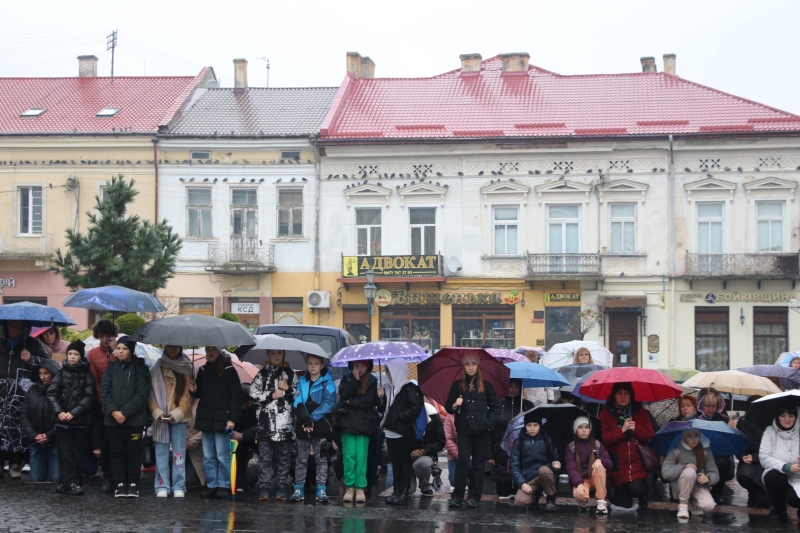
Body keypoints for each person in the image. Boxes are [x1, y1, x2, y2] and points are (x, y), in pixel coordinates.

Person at [446, 350, 500, 509]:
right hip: (463, 430)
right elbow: (449, 407)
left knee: (478, 464)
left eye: (473, 364)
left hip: (481, 431)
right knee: (462, 462)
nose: (470, 367)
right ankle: (457, 496)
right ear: (463, 366)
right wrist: (455, 405)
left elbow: (495, 408)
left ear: (478, 366)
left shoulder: (487, 386)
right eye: (467, 364)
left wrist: (487, 423)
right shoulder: (457, 386)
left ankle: (474, 497)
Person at [101, 336, 150, 498]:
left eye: (124, 349)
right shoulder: (111, 369)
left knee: (134, 451)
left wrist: (125, 413)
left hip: (135, 420)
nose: (120, 352)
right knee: (116, 451)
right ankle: (119, 482)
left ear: (131, 350)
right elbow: (105, 393)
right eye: (119, 348)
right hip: (113, 420)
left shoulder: (140, 369)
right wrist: (114, 412)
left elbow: (142, 394)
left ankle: (134, 483)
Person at [191, 346, 242, 500]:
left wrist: (232, 418)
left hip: (222, 418)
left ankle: (224, 484)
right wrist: (193, 389)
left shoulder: (229, 370)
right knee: (208, 456)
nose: (210, 352)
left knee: (222, 455)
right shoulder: (204, 370)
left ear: (219, 351)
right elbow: (200, 393)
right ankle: (212, 484)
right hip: (207, 417)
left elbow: (236, 397)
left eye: (213, 349)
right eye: (208, 349)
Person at [0, 320, 49, 479]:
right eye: (10, 325)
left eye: (17, 325)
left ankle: (16, 464)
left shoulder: (33, 344)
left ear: (24, 327)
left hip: (21, 393)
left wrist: (30, 359)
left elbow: (47, 364)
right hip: (1, 391)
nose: (13, 327)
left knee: (17, 429)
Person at [48, 340, 95, 496]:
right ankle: (65, 481)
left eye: (76, 354)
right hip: (62, 420)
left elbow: (89, 397)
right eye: (70, 354)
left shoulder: (87, 374)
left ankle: (75, 482)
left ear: (81, 356)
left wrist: (74, 412)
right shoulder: (61, 373)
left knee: (76, 453)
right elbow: (51, 394)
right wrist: (59, 412)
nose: (72, 357)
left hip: (79, 421)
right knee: (64, 452)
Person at [249, 348, 297, 502]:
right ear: (268, 355)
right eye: (272, 353)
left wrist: (287, 389)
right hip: (265, 425)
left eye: (279, 353)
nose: (276, 356)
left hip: (285, 426)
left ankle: (282, 486)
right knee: (265, 458)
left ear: (284, 354)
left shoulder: (290, 374)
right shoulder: (262, 374)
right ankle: (264, 486)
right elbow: (252, 395)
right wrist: (271, 395)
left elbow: (299, 396)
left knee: (284, 458)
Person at [599, 382, 655, 510]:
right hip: (616, 466)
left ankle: (643, 495)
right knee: (623, 504)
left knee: (637, 488)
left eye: (626, 393)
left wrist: (636, 428)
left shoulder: (641, 413)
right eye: (619, 393)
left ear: (631, 395)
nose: (623, 397)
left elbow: (650, 436)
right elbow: (603, 439)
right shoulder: (605, 414)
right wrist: (621, 430)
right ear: (614, 395)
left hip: (637, 466)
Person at [149, 345, 193, 498]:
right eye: (170, 347)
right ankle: (162, 484)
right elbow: (151, 394)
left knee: (178, 452)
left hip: (179, 416)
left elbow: (188, 395)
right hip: (160, 416)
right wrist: (158, 412)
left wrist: (177, 413)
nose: (172, 350)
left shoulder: (187, 367)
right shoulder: (156, 367)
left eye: (176, 347)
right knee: (160, 452)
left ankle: (179, 485)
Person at [291, 353, 336, 503]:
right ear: (306, 365)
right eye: (310, 363)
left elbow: (328, 404)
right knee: (301, 459)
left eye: (316, 363)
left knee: (321, 459)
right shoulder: (302, 380)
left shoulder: (328, 382)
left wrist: (312, 419)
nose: (313, 366)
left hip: (321, 425)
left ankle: (321, 488)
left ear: (322, 365)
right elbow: (297, 401)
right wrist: (305, 419)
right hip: (303, 426)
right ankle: (298, 488)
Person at [381, 358, 423, 505]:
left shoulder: (409, 388)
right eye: (386, 371)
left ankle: (404, 491)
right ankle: (396, 490)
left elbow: (415, 408)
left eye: (391, 371)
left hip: (403, 432)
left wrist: (399, 416)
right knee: (395, 463)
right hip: (390, 431)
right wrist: (380, 399)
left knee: (404, 462)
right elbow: (384, 410)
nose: (389, 374)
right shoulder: (387, 388)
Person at [337, 360, 380, 503]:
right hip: (347, 423)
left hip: (364, 424)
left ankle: (360, 487)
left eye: (362, 366)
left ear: (367, 367)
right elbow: (343, 394)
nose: (359, 369)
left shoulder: (373, 381)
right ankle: (349, 487)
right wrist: (354, 381)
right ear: (351, 366)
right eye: (356, 366)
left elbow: (368, 402)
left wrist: (350, 402)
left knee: (361, 457)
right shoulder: (347, 379)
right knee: (349, 457)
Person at [684, 391, 734, 502]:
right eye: (707, 406)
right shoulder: (690, 419)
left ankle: (717, 492)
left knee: (723, 463)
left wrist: (732, 429)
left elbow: (729, 440)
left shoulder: (724, 419)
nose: (710, 409)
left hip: (717, 453)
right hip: (695, 452)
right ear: (701, 405)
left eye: (713, 406)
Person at [87, 319, 118, 493]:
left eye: (108, 335)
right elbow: (94, 381)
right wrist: (104, 402)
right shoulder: (92, 354)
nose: (105, 339)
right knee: (105, 442)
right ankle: (107, 475)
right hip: (101, 404)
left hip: (120, 403)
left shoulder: (120, 350)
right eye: (102, 336)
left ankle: (119, 476)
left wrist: (115, 351)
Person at [510, 410, 561, 511]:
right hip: (528, 478)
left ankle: (550, 499)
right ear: (525, 426)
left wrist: (557, 464)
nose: (532, 428)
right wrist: (522, 483)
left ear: (540, 425)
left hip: (545, 475)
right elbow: (514, 466)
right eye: (529, 425)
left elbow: (555, 457)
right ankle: (534, 497)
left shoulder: (547, 439)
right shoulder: (519, 442)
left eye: (535, 425)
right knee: (520, 502)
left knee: (544, 470)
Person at [490, 378, 533, 498]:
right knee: (503, 495)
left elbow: (534, 427)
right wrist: (489, 454)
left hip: (522, 449)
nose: (513, 390)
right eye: (510, 386)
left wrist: (523, 418)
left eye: (516, 386)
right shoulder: (498, 405)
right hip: (501, 450)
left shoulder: (528, 405)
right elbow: (491, 430)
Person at [21, 356, 61, 484]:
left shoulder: (60, 391)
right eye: (40, 373)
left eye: (46, 373)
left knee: (56, 478)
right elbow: (24, 415)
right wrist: (34, 435)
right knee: (36, 478)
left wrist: (49, 435)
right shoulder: (32, 391)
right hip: (36, 440)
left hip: (55, 441)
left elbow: (61, 417)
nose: (43, 377)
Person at [662, 429, 718, 518]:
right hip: (680, 487)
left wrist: (708, 478)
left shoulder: (705, 452)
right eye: (690, 436)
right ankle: (683, 505)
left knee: (709, 505)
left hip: (697, 486)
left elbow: (714, 472)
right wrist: (684, 466)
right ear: (684, 439)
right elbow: (665, 473)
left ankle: (694, 503)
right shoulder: (676, 451)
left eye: (696, 436)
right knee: (689, 471)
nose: (694, 439)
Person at [565, 416, 612, 514]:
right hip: (582, 479)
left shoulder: (597, 444)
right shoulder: (571, 447)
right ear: (575, 430)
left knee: (599, 467)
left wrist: (600, 460)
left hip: (596, 479)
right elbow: (571, 468)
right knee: (580, 494)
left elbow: (610, 464)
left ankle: (601, 501)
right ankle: (583, 502)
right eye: (580, 427)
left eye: (587, 427)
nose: (584, 430)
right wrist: (578, 483)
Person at [736, 395, 770, 508]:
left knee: (764, 502)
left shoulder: (770, 423)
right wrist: (742, 456)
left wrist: (755, 457)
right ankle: (753, 492)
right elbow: (739, 443)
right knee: (744, 476)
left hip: (765, 460)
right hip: (748, 458)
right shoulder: (743, 421)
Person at [409, 399, 445, 496]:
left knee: (423, 464)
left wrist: (423, 451)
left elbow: (441, 441)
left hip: (425, 454)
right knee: (409, 490)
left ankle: (425, 485)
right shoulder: (403, 412)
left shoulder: (432, 414)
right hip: (405, 454)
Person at [232, 384, 257, 492]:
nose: (243, 407)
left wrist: (243, 434)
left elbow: (261, 426)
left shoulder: (257, 407)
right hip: (237, 438)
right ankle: (240, 483)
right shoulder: (233, 406)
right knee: (239, 458)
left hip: (254, 437)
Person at [442, 409, 459, 491]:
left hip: (471, 456)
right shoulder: (450, 417)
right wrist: (458, 454)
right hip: (455, 456)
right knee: (454, 481)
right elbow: (447, 439)